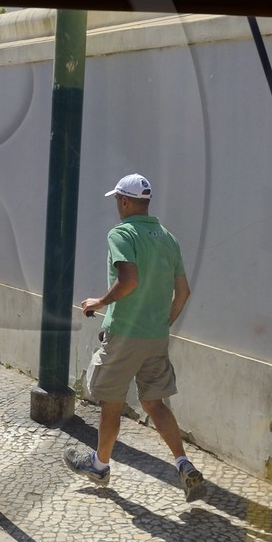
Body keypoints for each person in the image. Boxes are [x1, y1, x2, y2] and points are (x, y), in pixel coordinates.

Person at [66, 173, 202, 501]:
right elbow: (182, 292)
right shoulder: (168, 238)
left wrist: (99, 302)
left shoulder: (122, 233)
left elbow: (128, 280)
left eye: (117, 200)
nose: (116, 205)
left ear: (125, 201)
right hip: (155, 336)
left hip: (125, 334)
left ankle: (99, 466)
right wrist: (161, 324)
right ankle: (184, 464)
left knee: (111, 402)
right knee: (154, 402)